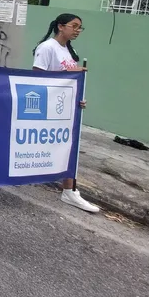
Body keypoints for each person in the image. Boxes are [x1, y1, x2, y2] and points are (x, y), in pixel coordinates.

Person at [33, 13, 100, 214]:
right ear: (61, 27)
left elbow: (68, 83)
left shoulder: (68, 51)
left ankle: (69, 189)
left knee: (69, 146)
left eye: (80, 27)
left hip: (66, 106)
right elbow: (36, 77)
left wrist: (77, 97)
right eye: (74, 26)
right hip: (49, 107)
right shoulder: (46, 48)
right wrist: (71, 74)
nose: (77, 30)